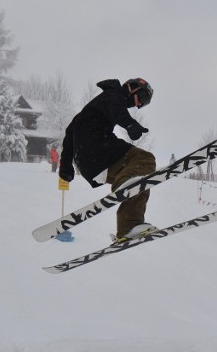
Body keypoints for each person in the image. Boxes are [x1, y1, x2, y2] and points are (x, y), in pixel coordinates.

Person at [58, 78, 156, 242]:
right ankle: (126, 189)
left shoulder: (94, 105)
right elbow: (116, 108)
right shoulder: (113, 95)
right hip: (100, 149)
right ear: (131, 88)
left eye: (144, 104)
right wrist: (130, 124)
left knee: (139, 180)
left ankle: (128, 229)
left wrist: (66, 165)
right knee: (145, 160)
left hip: (89, 164)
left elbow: (70, 132)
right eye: (142, 98)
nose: (139, 105)